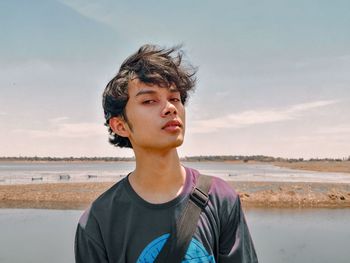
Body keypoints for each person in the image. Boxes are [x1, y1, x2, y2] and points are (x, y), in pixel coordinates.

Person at [74, 44, 258, 262]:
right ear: (120, 125)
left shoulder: (220, 199)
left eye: (175, 98)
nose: (170, 108)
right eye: (149, 100)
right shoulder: (98, 221)